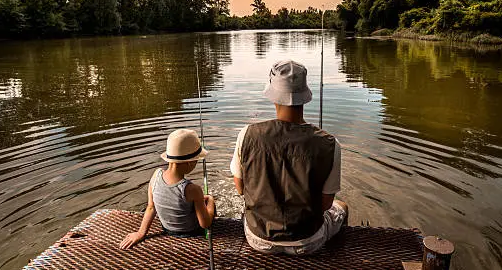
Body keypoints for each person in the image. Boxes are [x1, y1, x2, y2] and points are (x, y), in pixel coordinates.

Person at [230, 60, 348, 255]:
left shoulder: (246, 134)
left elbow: (240, 188)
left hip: (258, 238)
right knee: (342, 207)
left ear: (273, 96)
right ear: (304, 96)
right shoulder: (330, 143)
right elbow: (326, 204)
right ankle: (337, 264)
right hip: (308, 242)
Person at [120, 129, 216, 249]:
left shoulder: (156, 175)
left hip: (167, 229)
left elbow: (151, 207)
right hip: (192, 233)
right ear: (189, 163)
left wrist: (141, 233)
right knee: (211, 207)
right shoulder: (193, 189)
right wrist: (210, 200)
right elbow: (205, 224)